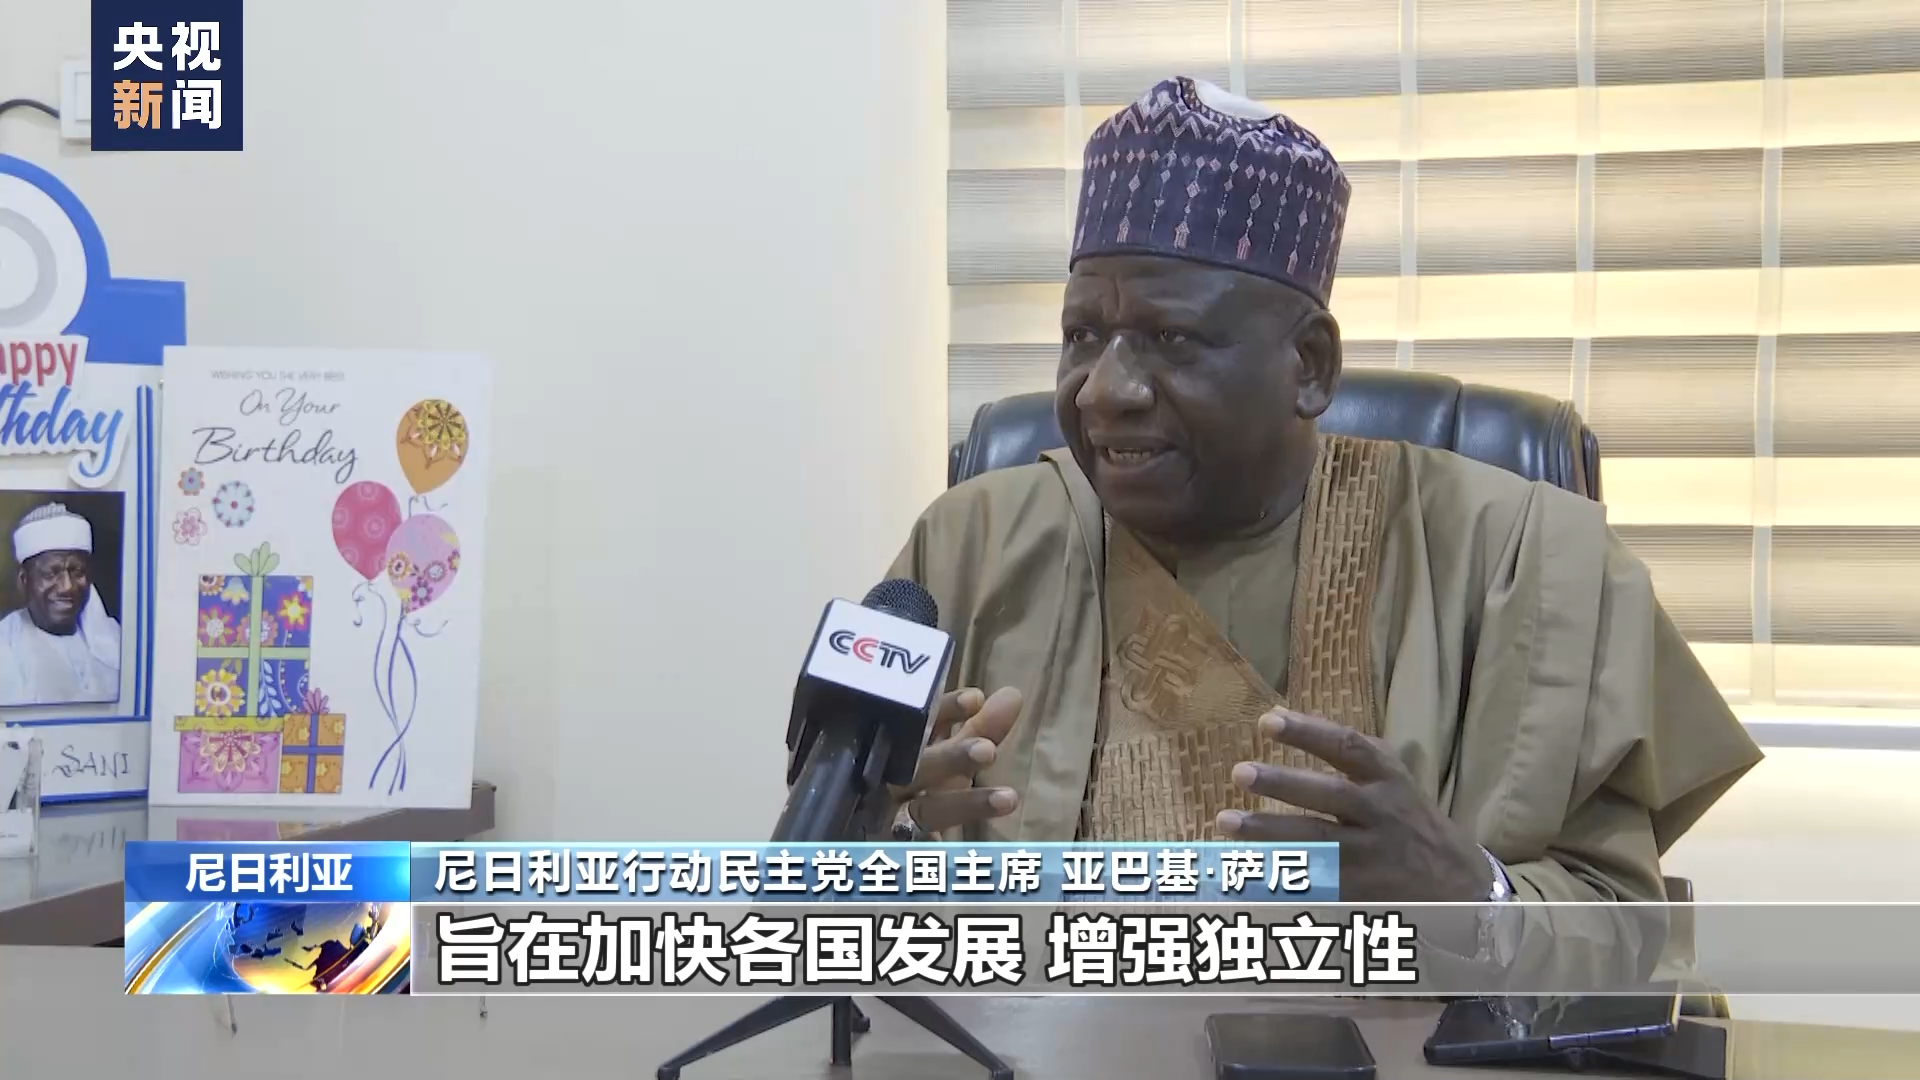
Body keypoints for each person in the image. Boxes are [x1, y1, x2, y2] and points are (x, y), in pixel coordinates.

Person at [881, 77, 1763, 983]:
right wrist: (892, 847)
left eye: (1171, 339)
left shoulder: (1520, 562)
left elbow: (1625, 939)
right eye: (1081, 336)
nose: (1105, 389)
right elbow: (827, 909)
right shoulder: (969, 547)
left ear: (1309, 365)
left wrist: (1471, 895)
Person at [0, 502, 121, 707]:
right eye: (50, 573)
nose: (67, 587)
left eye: (78, 572)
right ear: (23, 580)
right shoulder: (6, 644)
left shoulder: (113, 635)